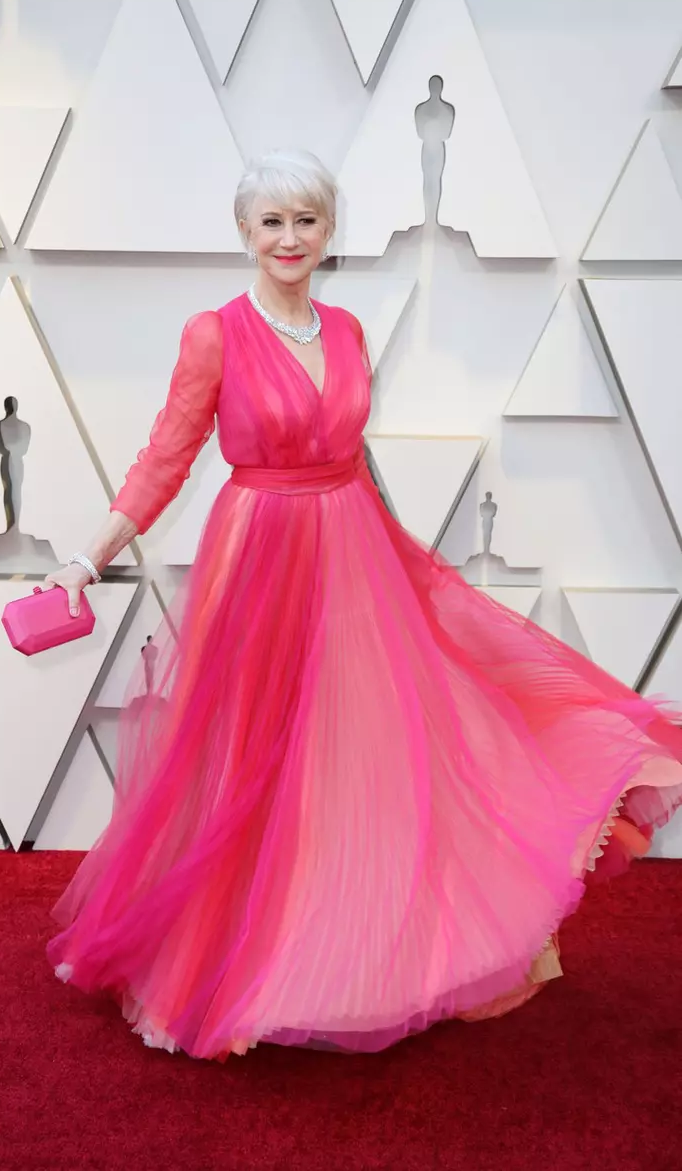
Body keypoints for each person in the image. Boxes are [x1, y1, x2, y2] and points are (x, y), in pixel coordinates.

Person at [44, 149, 682, 1061]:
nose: (289, 237)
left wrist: (401, 570)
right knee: (251, 758)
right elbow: (166, 458)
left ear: (328, 229)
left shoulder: (346, 330)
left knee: (360, 753)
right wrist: (86, 557)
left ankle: (358, 959)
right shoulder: (214, 334)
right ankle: (229, 963)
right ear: (244, 232)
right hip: (258, 559)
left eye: (305, 219)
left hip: (350, 554)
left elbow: (350, 461)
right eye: (272, 222)